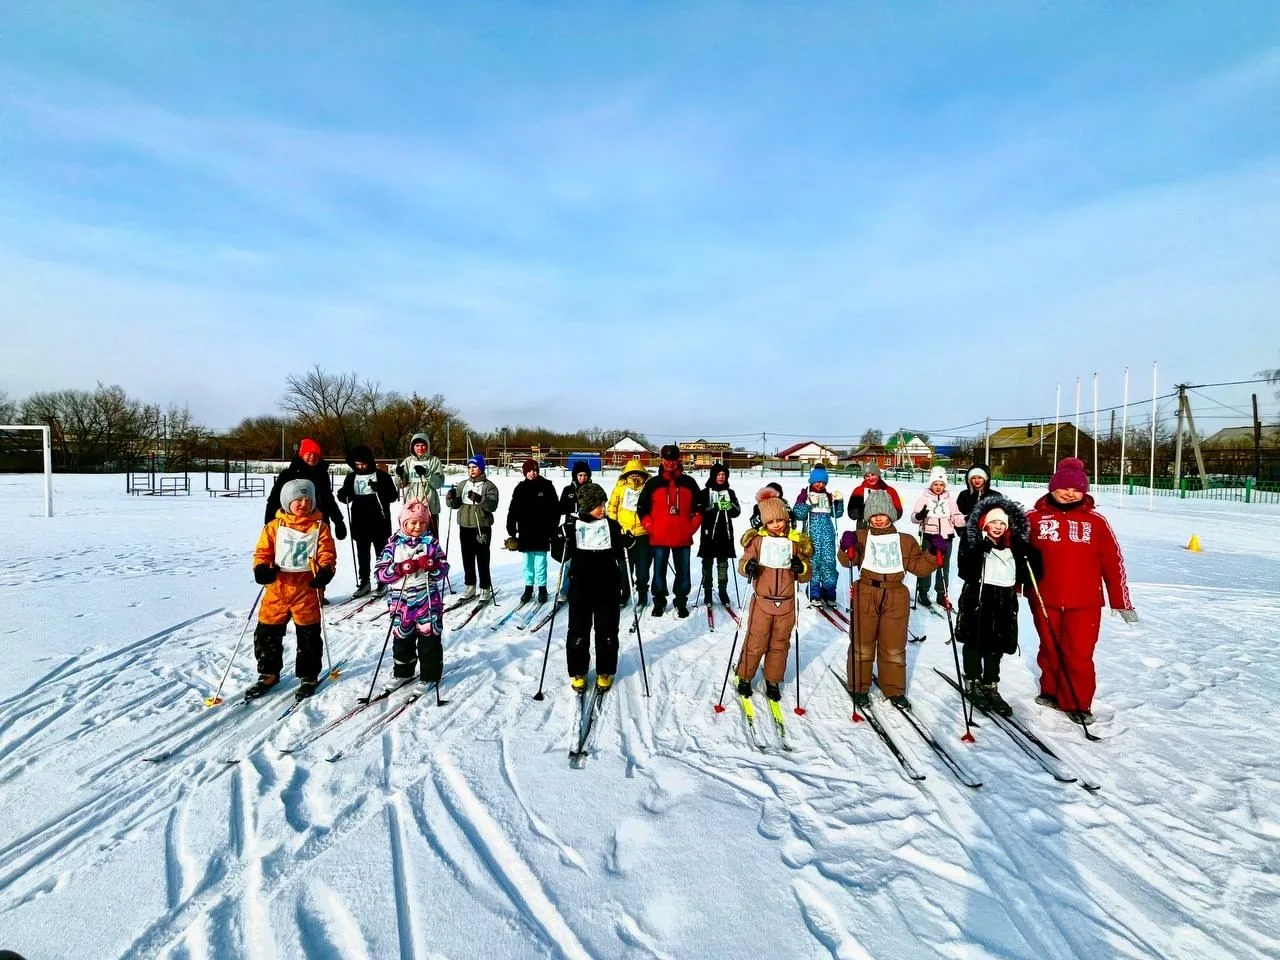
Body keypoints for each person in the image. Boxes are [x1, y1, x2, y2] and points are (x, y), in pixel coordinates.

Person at [1026, 457, 1136, 726]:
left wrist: (1120, 600)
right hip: (1044, 596)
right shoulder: (1033, 518)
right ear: (1052, 488)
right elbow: (1017, 554)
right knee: (1050, 646)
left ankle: (1077, 701)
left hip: (1084, 600)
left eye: (1076, 490)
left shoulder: (1095, 521)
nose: (1069, 494)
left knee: (1079, 652)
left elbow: (1113, 560)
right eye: (1064, 488)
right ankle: (1051, 690)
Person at [837, 489, 936, 708]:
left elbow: (919, 568)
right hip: (866, 592)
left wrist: (933, 553)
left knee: (893, 645)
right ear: (868, 516)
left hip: (895, 594)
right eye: (874, 514)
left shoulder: (905, 541)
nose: (879, 518)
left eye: (883, 514)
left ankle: (893, 688)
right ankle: (858, 686)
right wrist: (846, 547)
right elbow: (847, 562)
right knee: (862, 643)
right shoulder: (862, 537)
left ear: (891, 514)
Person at [250, 478, 337, 701]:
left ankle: (308, 675)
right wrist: (261, 569)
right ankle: (268, 672)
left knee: (308, 636)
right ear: (287, 502)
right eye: (298, 500)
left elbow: (326, 553)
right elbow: (263, 552)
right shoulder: (274, 527)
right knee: (267, 633)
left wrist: (325, 571)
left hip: (306, 589)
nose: (303, 504)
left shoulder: (319, 527)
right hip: (277, 588)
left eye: (308, 500)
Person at [955, 495, 1042, 716]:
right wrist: (979, 550)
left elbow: (1032, 574)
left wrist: (1028, 554)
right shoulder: (975, 542)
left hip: (1004, 601)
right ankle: (972, 679)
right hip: (978, 597)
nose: (998, 527)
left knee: (996, 646)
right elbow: (964, 570)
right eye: (994, 522)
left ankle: (990, 684)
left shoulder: (1013, 546)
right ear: (985, 523)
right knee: (974, 641)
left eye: (1002, 523)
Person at [735, 491, 812, 701]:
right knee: (756, 641)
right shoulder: (758, 541)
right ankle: (744, 676)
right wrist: (747, 566)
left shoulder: (796, 541)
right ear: (765, 522)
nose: (777, 525)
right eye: (772, 522)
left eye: (781, 520)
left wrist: (801, 567)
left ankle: (773, 679)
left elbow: (806, 574)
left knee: (780, 643)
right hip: (762, 602)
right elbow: (744, 563)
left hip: (786, 604)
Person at [551, 482, 625, 691]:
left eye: (603, 503)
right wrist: (560, 538)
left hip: (608, 586)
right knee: (578, 630)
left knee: (607, 630)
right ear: (586, 506)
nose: (603, 508)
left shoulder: (611, 525)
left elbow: (621, 553)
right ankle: (578, 670)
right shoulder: (573, 526)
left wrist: (626, 542)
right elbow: (559, 556)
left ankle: (605, 670)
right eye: (597, 505)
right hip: (581, 586)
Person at [375, 500, 450, 685]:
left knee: (429, 639)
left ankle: (430, 676)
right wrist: (399, 568)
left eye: (422, 523)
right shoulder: (392, 546)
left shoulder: (431, 544)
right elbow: (380, 574)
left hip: (427, 600)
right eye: (413, 523)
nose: (418, 527)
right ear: (403, 522)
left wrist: (433, 566)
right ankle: (403, 672)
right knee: (402, 639)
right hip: (401, 602)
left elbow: (444, 570)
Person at [636, 444, 702, 618]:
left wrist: (691, 527)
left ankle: (681, 602)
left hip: (682, 537)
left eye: (674, 460)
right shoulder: (653, 483)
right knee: (658, 573)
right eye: (667, 460)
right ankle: (659, 602)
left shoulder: (689, 482)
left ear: (679, 459)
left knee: (683, 572)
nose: (670, 463)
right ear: (661, 459)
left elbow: (700, 507)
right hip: (659, 538)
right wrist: (650, 526)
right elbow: (642, 508)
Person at [337, 445, 399, 598]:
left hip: (379, 520)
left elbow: (393, 496)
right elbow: (345, 497)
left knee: (381, 552)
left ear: (370, 462)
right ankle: (364, 581)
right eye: (357, 464)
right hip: (359, 520)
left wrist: (380, 490)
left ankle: (382, 580)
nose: (361, 467)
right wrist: (343, 494)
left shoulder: (382, 476)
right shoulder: (351, 477)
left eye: (363, 464)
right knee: (362, 553)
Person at [444, 454, 500, 602]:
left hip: (481, 526)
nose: (471, 470)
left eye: (475, 467)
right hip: (465, 525)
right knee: (467, 557)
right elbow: (455, 505)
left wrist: (480, 499)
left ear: (481, 468)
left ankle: (485, 587)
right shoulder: (463, 484)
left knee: (482, 558)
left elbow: (492, 506)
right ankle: (470, 586)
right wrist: (451, 498)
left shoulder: (489, 486)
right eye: (469, 467)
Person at [505, 458, 559, 604]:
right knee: (527, 563)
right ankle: (528, 588)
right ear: (525, 472)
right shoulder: (520, 488)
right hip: (525, 531)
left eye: (535, 470)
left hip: (542, 531)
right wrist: (511, 526)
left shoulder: (547, 486)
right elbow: (513, 509)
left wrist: (553, 529)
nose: (532, 473)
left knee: (541, 563)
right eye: (529, 471)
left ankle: (542, 588)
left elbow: (555, 510)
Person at [909, 466, 965, 607]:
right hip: (929, 536)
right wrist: (920, 515)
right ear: (931, 485)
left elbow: (956, 517)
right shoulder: (924, 498)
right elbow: (914, 517)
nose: (938, 487)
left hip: (946, 537)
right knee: (927, 565)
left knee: (943, 567)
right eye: (935, 484)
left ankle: (941, 593)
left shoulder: (950, 500)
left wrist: (965, 519)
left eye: (941, 484)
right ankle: (923, 591)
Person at [265, 437, 346, 535]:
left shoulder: (322, 475)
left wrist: (338, 521)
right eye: (309, 454)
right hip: (292, 524)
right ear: (301, 455)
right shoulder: (288, 475)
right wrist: (269, 523)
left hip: (319, 523)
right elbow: (274, 500)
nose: (312, 457)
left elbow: (328, 500)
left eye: (316, 455)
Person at [792, 465, 844, 607]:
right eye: (818, 482)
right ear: (812, 481)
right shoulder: (805, 494)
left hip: (827, 535)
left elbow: (836, 514)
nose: (820, 485)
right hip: (812, 535)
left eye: (823, 482)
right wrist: (807, 503)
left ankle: (829, 592)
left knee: (829, 563)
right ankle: (814, 592)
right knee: (813, 563)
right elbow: (799, 515)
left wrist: (839, 502)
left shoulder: (828, 496)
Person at [694, 462, 742, 607]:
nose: (721, 477)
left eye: (724, 475)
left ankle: (723, 591)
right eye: (719, 474)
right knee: (707, 564)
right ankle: (707, 591)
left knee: (723, 564)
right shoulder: (705, 492)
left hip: (725, 533)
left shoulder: (730, 492)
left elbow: (737, 511)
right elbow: (700, 511)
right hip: (709, 533)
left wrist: (729, 506)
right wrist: (714, 507)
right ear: (713, 476)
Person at [607, 458, 652, 607]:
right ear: (626, 474)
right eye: (631, 473)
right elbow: (612, 508)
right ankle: (624, 592)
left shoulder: (647, 488)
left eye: (637, 473)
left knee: (643, 569)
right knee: (624, 568)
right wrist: (615, 528)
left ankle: (642, 592)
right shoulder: (619, 488)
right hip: (624, 535)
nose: (634, 476)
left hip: (643, 535)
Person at [394, 433, 446, 539]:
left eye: (423, 445)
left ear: (427, 446)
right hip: (411, 508)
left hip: (429, 507)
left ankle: (432, 555)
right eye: (417, 445)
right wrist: (400, 475)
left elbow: (438, 483)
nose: (420, 448)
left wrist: (427, 473)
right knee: (411, 538)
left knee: (430, 539)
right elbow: (401, 484)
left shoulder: (434, 461)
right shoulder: (408, 461)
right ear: (412, 447)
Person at [556, 460, 594, 601]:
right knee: (569, 562)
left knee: (587, 562)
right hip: (571, 529)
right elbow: (560, 508)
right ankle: (564, 590)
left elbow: (599, 508)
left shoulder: (593, 489)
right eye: (580, 475)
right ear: (575, 476)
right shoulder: (568, 490)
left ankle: (585, 589)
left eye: (585, 475)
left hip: (588, 529)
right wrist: (571, 509)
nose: (582, 478)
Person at [955, 463, 994, 575]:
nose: (976, 481)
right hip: (968, 541)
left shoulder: (994, 496)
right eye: (973, 478)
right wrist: (963, 530)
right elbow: (956, 515)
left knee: (987, 574)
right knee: (969, 574)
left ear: (985, 479)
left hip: (988, 541)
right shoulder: (964, 496)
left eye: (980, 477)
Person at [846, 462, 902, 531]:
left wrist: (885, 512)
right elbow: (852, 513)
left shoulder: (889, 491)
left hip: (886, 530)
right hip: (864, 530)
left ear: (878, 475)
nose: (870, 478)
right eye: (867, 476)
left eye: (873, 475)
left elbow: (899, 512)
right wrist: (865, 510)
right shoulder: (859, 491)